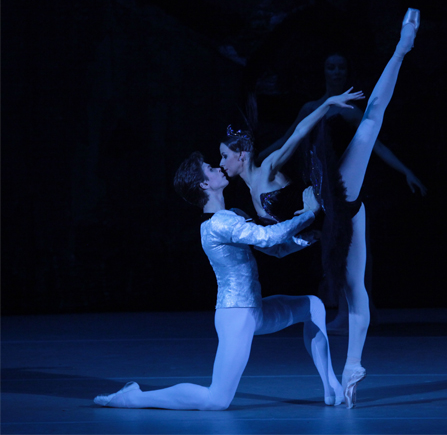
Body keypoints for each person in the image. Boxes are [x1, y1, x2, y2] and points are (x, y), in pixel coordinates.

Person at [218, 8, 422, 408]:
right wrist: (295, 237)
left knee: (368, 124)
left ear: (240, 156)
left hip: (336, 197)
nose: (222, 161)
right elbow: (280, 244)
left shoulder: (266, 168)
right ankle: (352, 369)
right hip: (335, 222)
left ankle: (401, 48)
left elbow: (296, 133)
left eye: (225, 155)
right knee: (353, 287)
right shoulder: (251, 191)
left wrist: (329, 103)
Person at [93, 152, 343, 410]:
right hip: (237, 316)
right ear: (204, 184)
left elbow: (274, 249)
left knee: (313, 306)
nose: (217, 168)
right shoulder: (217, 224)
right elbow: (268, 237)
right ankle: (134, 397)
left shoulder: (232, 215)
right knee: (217, 400)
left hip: (254, 310)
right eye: (210, 168)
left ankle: (331, 388)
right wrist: (310, 214)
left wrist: (305, 239)